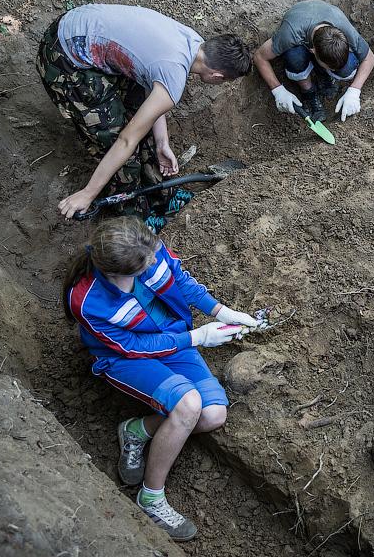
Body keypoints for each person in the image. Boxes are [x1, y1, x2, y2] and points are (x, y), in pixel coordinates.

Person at [62, 216, 260, 541]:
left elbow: (180, 280)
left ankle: (137, 430)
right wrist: (196, 339)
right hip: (123, 357)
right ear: (120, 273)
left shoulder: (143, 245)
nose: (156, 262)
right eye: (147, 266)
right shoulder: (87, 300)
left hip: (172, 339)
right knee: (188, 405)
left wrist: (220, 311)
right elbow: (132, 346)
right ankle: (151, 498)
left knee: (213, 414)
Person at [40, 4, 252, 226]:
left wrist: (162, 143)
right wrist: (88, 193)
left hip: (80, 26)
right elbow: (126, 140)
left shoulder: (193, 42)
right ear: (217, 76)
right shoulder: (174, 74)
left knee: (143, 127)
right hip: (65, 57)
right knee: (117, 142)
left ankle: (160, 196)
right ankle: (133, 216)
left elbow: (156, 89)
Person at [253, 0, 374, 123]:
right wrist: (278, 90)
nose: (333, 70)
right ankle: (308, 92)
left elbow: (369, 57)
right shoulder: (290, 34)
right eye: (329, 67)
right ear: (313, 51)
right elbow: (260, 56)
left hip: (326, 16)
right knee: (295, 57)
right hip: (300, 23)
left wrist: (354, 90)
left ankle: (325, 75)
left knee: (347, 67)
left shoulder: (345, 30)